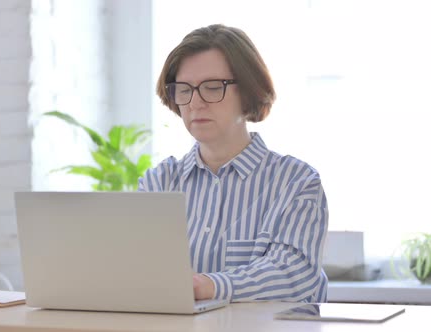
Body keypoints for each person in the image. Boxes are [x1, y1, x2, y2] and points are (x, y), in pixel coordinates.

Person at [138, 24, 329, 303]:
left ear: (249, 91)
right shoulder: (159, 182)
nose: (195, 103)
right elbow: (138, 271)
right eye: (184, 90)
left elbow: (294, 274)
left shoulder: (296, 182)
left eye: (213, 88)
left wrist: (210, 286)